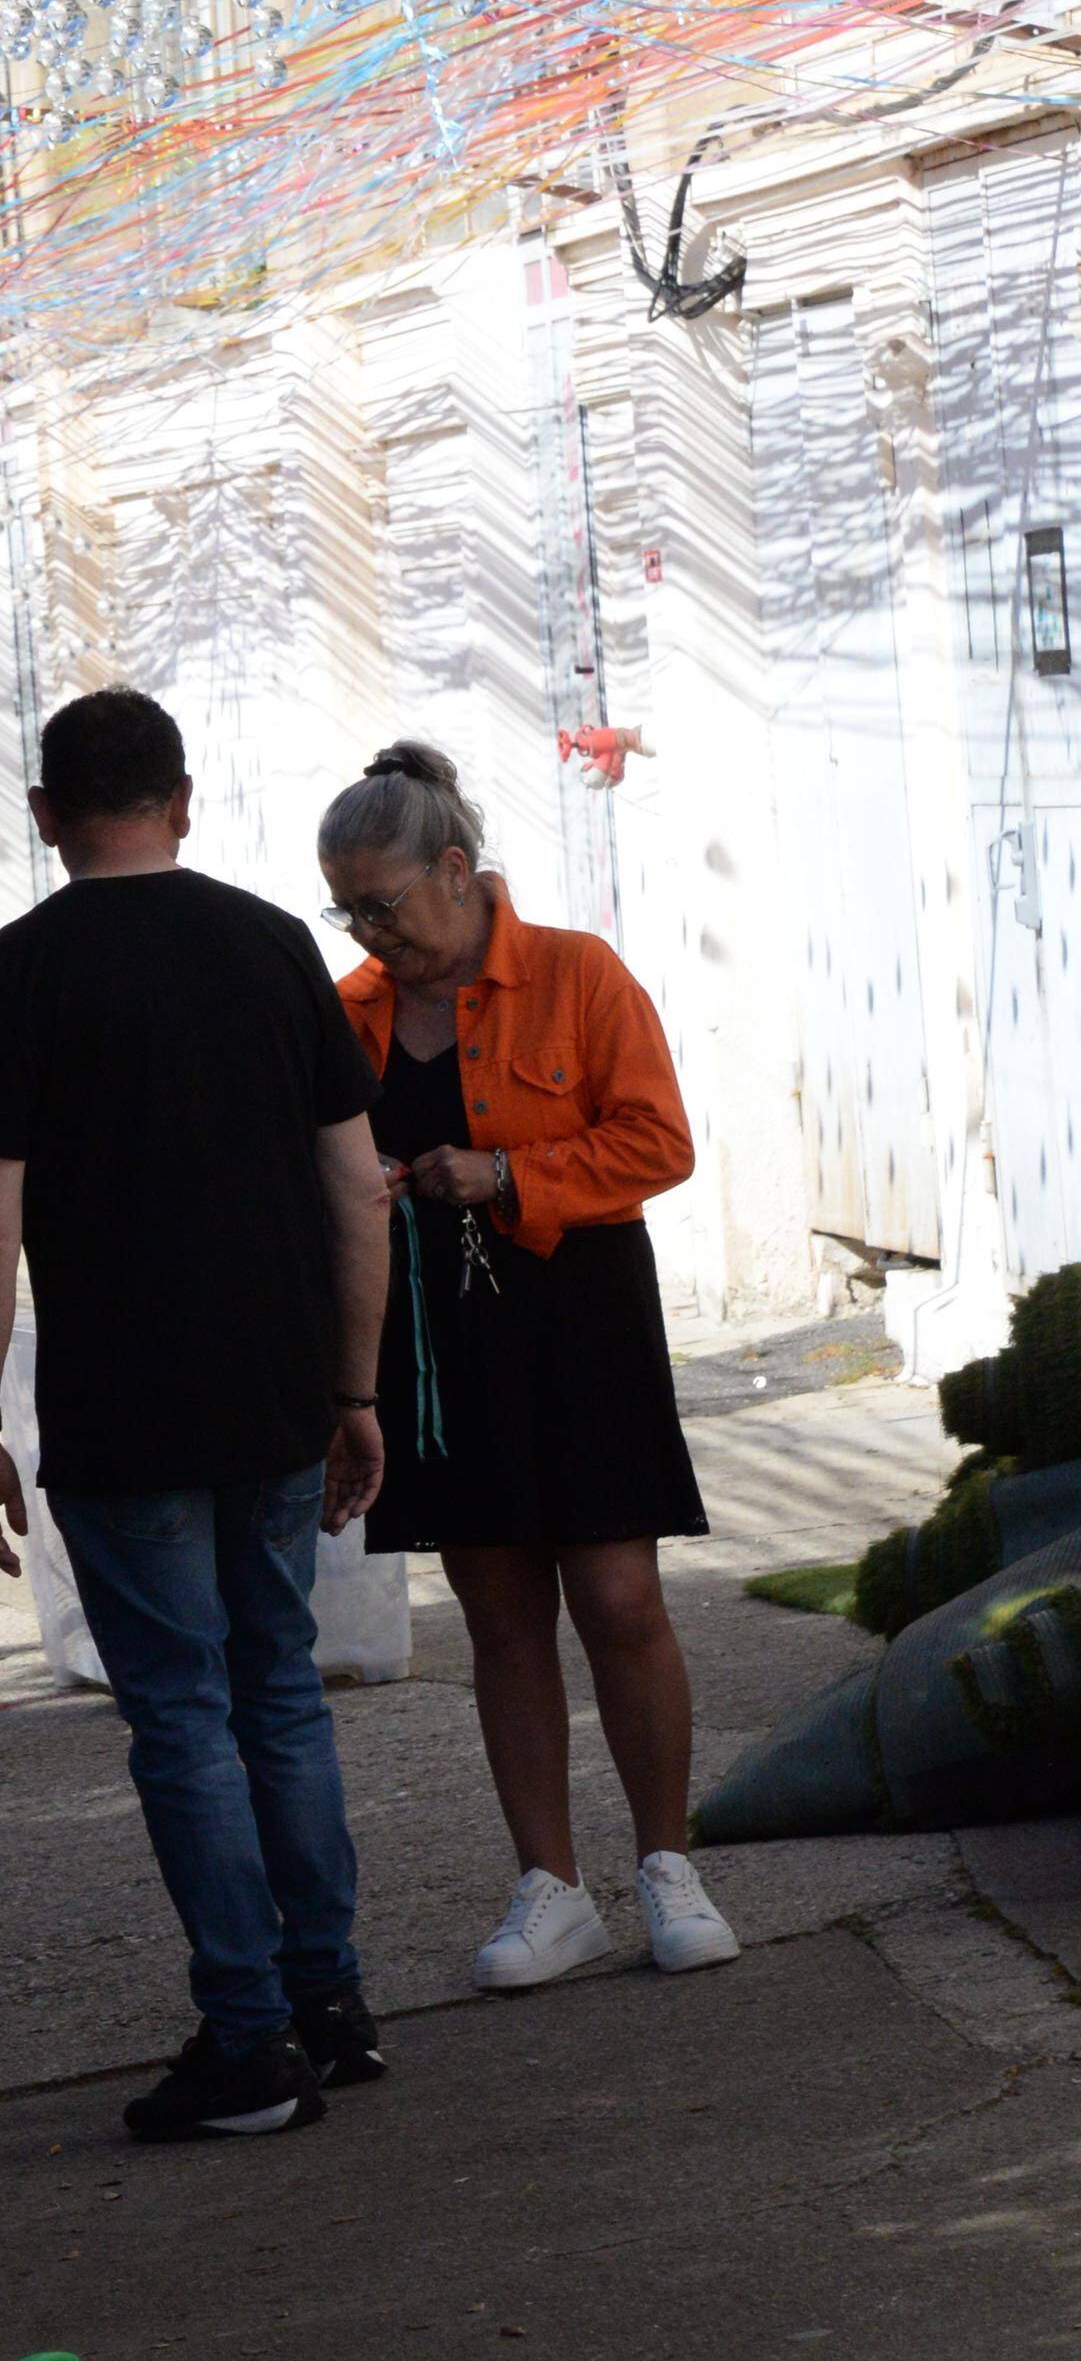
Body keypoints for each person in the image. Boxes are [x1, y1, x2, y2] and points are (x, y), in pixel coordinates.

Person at [0, 688, 394, 2142]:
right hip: (274, 1391)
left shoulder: (9, 976)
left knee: (183, 1715)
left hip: (124, 1407)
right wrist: (355, 1387)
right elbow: (352, 1194)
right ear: (181, 801)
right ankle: (328, 2002)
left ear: (46, 814)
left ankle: (249, 2046)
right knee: (280, 1687)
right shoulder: (275, 949)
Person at [318, 739, 739, 1993]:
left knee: (618, 1596)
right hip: (436, 1339)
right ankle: (551, 1890)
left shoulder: (575, 972)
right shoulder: (348, 1014)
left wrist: (508, 1174)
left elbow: (658, 1141)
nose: (367, 931)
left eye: (381, 903)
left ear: (455, 870)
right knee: (498, 1614)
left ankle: (669, 1863)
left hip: (582, 1310)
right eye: (347, 908)